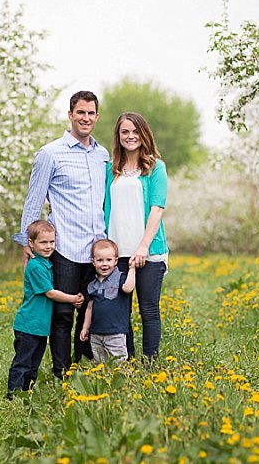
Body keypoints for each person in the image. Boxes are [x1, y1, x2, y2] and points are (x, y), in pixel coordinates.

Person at [13, 91, 109, 378]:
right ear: (70, 115)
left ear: (96, 116)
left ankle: (83, 369)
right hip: (65, 247)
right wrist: (26, 243)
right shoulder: (50, 153)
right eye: (81, 112)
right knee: (63, 315)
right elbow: (34, 200)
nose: (86, 118)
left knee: (90, 312)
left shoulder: (102, 155)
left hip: (95, 250)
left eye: (91, 113)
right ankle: (62, 374)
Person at [104, 112, 168, 360]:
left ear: (144, 134)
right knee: (122, 311)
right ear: (118, 136)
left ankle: (150, 363)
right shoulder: (112, 169)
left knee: (148, 309)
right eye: (124, 132)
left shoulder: (155, 168)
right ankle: (127, 362)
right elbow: (106, 209)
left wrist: (143, 246)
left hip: (148, 251)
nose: (130, 136)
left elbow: (157, 209)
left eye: (135, 131)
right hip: (118, 252)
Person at [7, 220, 84, 398]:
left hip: (40, 327)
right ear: (31, 244)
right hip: (28, 325)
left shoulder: (47, 263)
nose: (48, 246)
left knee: (34, 362)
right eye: (43, 242)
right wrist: (73, 299)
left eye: (52, 242)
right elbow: (49, 293)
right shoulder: (36, 266)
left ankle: (26, 391)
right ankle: (13, 394)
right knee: (23, 361)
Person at [79, 239, 136, 365]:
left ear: (115, 261)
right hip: (96, 333)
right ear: (93, 262)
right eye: (100, 260)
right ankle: (103, 383)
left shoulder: (120, 277)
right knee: (100, 363)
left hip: (116, 332)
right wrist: (85, 328)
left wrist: (132, 269)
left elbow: (128, 288)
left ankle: (122, 382)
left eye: (108, 260)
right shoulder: (92, 285)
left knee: (119, 363)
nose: (104, 264)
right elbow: (89, 308)